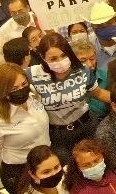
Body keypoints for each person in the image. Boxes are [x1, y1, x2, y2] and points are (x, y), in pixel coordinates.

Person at [23, 31, 109, 160]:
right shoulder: (33, 74)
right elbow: (6, 78)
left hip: (86, 126)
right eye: (53, 59)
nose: (60, 61)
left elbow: (98, 93)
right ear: (43, 57)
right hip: (58, 136)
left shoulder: (82, 70)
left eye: (63, 55)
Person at [0, 62, 49, 194]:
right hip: (19, 171)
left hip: (45, 161)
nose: (21, 90)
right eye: (14, 88)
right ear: (3, 91)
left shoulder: (32, 95)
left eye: (24, 84)